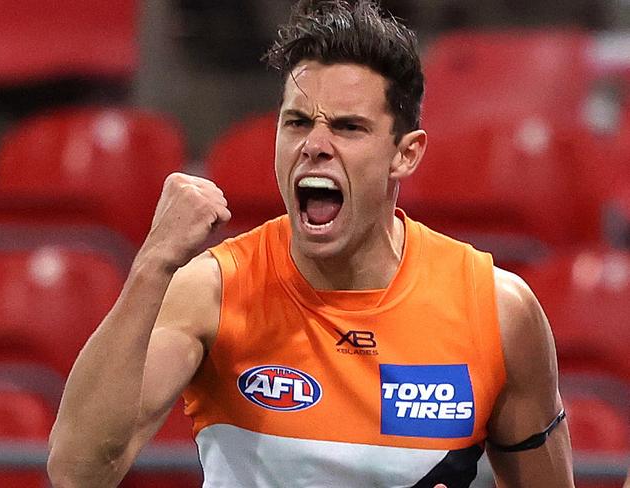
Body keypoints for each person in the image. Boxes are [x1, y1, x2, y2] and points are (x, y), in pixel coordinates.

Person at [47, 1, 575, 486]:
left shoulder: (497, 311)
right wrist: (153, 265)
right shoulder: (212, 290)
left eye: (348, 128)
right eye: (296, 122)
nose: (314, 146)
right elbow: (79, 471)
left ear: (406, 154)